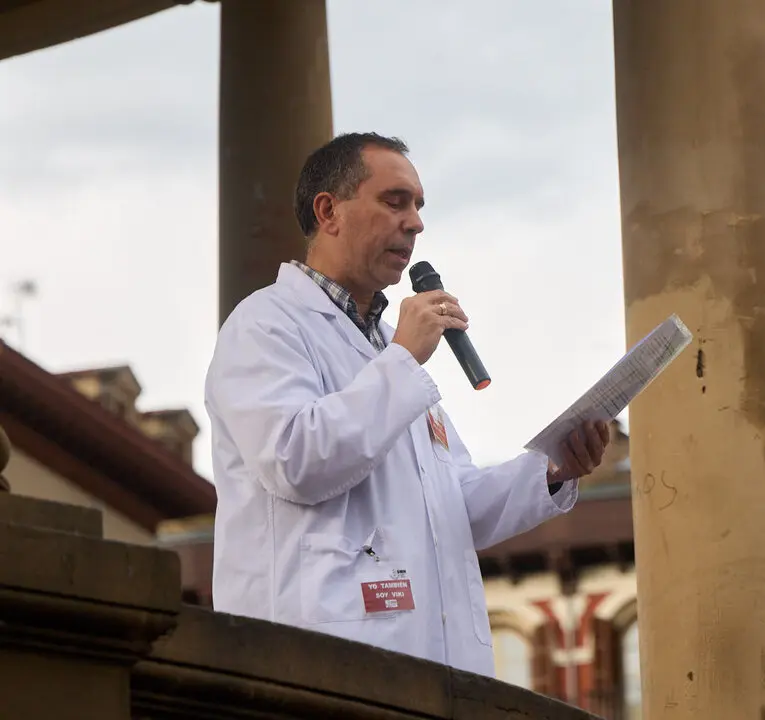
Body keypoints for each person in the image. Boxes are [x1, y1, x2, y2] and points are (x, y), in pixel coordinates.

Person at [204, 132, 610, 676]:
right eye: (395, 202)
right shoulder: (266, 324)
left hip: (434, 668)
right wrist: (402, 360)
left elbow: (454, 502)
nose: (415, 222)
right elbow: (294, 460)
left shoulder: (390, 348)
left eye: (418, 206)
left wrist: (553, 467)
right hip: (321, 665)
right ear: (330, 211)